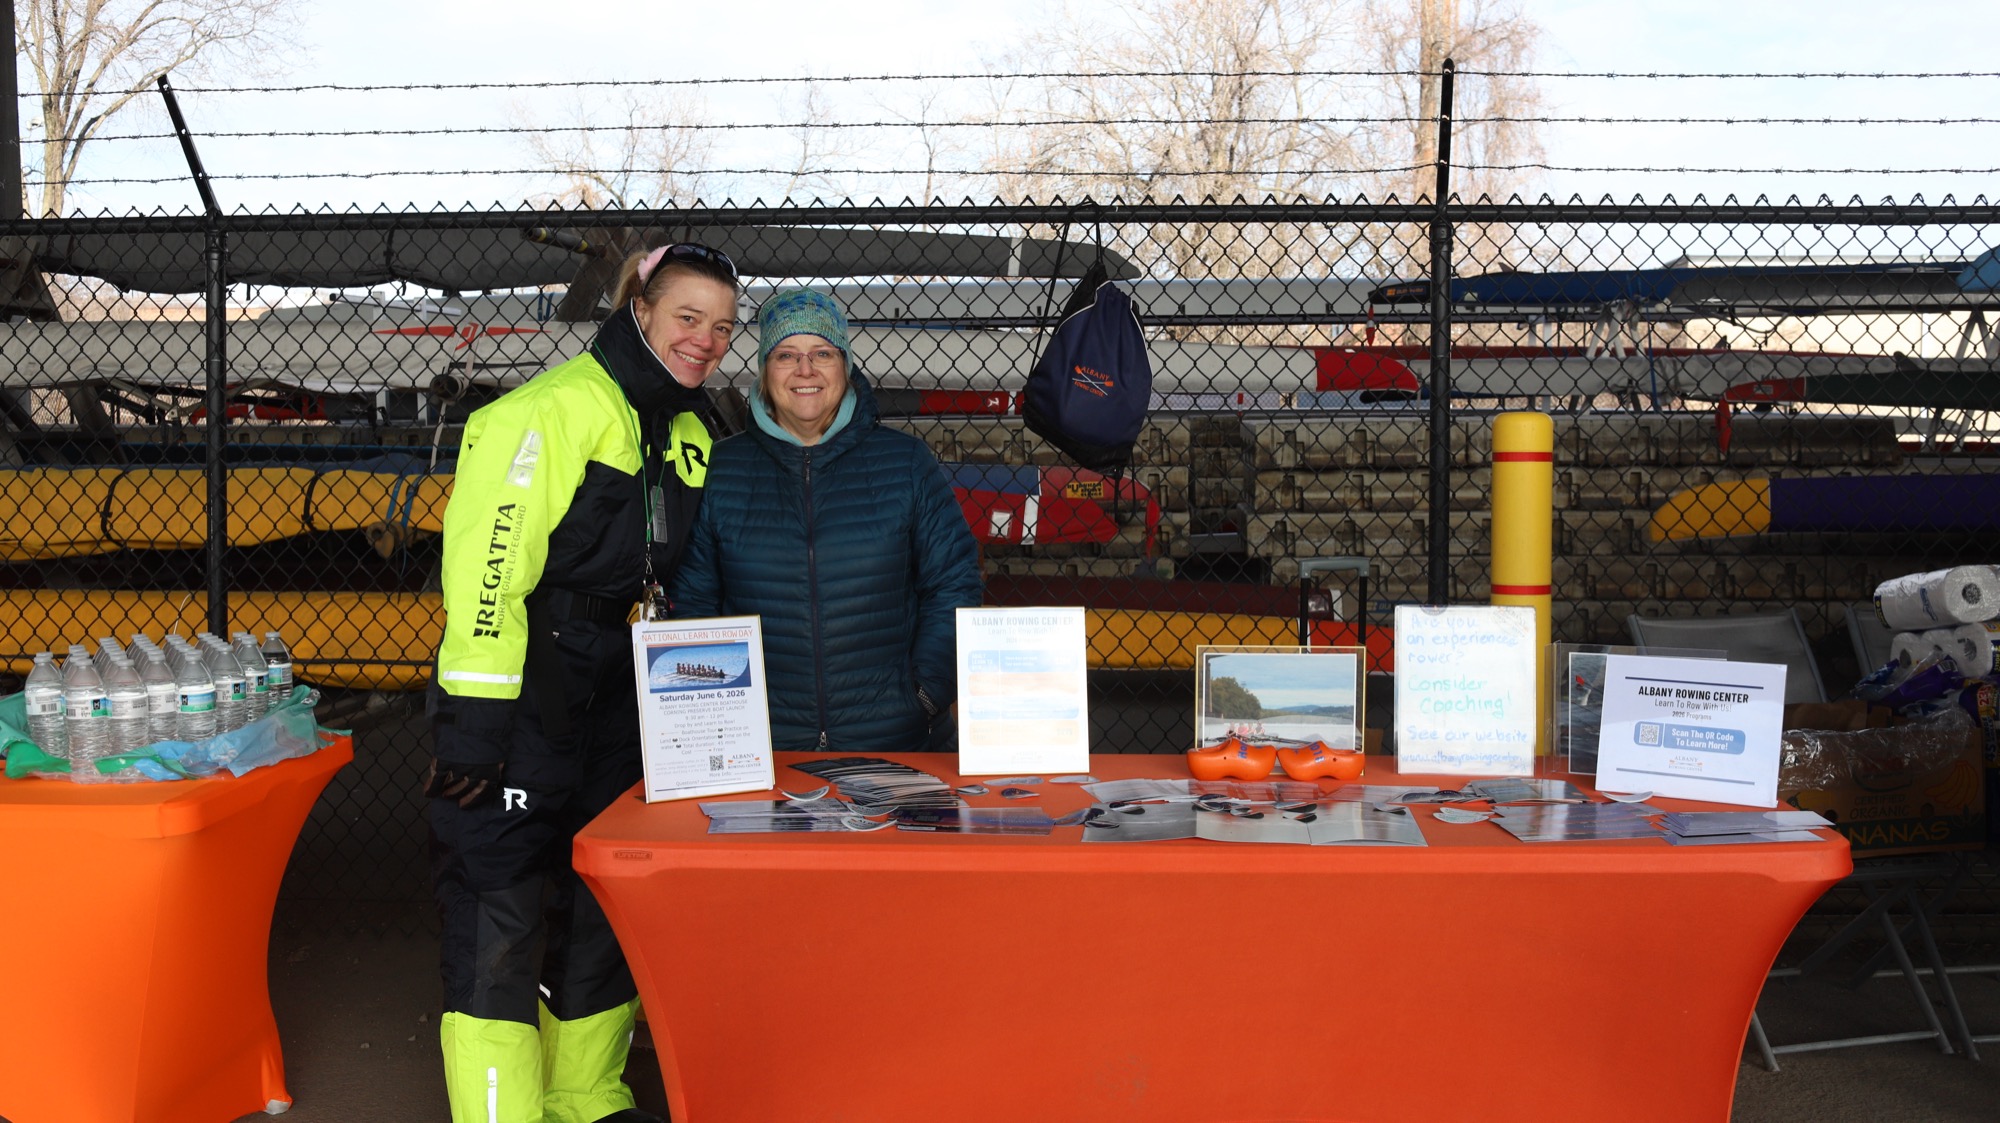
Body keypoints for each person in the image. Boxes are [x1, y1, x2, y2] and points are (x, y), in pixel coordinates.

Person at [426, 242, 740, 1123]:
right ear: (640, 310)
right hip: (528, 700)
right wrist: (474, 730)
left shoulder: (690, 431)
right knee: (500, 907)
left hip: (626, 697)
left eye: (722, 327)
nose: (705, 340)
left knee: (606, 898)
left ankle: (585, 1096)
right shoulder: (549, 412)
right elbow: (488, 579)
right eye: (687, 317)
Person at [673, 288, 981, 751]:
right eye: (785, 355)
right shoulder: (722, 469)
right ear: (764, 372)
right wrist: (721, 713)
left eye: (822, 353)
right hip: (765, 745)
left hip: (898, 739)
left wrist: (925, 694)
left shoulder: (905, 462)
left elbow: (953, 584)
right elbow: (694, 601)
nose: (805, 370)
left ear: (845, 366)